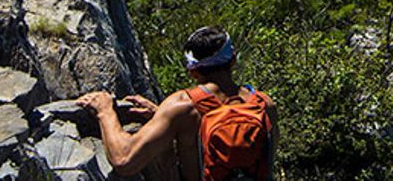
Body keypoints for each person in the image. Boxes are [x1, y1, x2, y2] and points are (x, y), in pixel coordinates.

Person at [78, 27, 277, 181]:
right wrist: (160, 116)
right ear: (233, 60)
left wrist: (105, 111)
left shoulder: (182, 106)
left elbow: (124, 160)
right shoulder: (264, 104)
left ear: (193, 71)